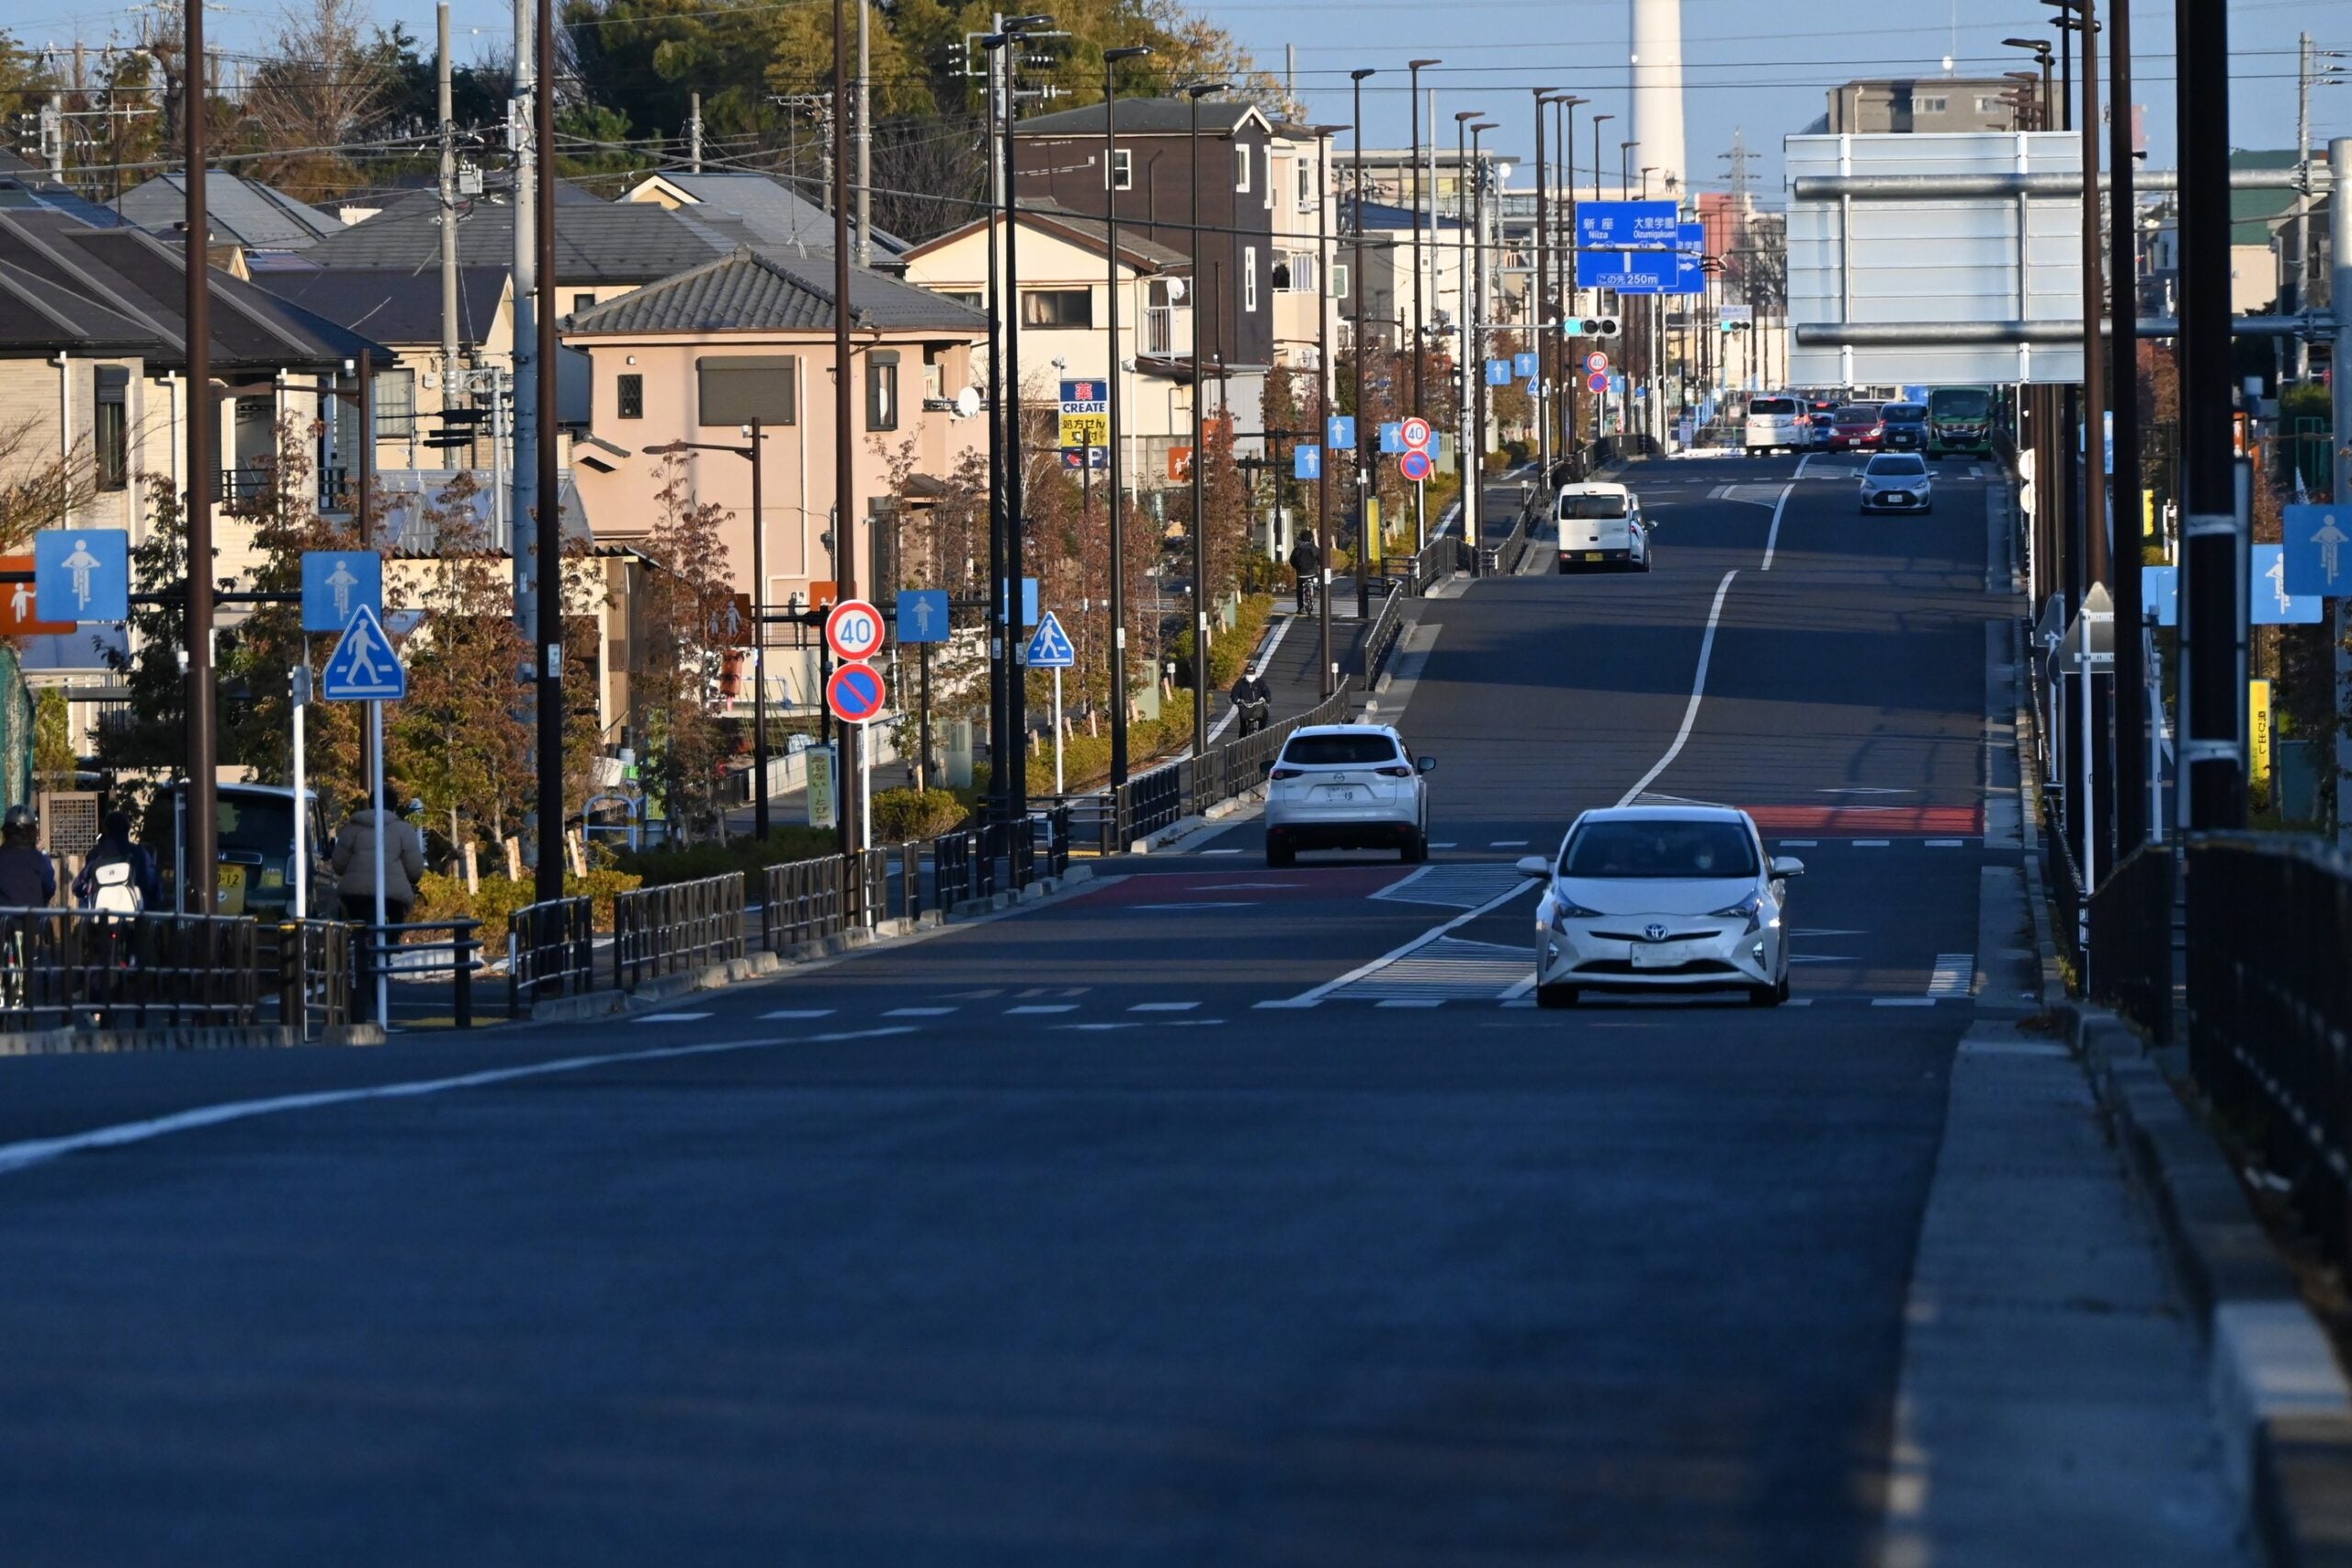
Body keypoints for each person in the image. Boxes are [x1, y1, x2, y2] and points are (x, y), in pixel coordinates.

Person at [332, 787, 425, 928]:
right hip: (393, 896)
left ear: (370, 803)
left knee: (358, 931)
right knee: (394, 926)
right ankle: (392, 944)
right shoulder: (403, 830)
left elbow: (338, 864)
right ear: (394, 806)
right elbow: (415, 871)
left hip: (356, 894)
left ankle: (360, 945)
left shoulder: (352, 828)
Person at [73, 810, 160, 914]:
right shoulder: (139, 854)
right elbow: (153, 883)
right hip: (133, 917)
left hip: (101, 918)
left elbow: (78, 886)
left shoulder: (95, 855)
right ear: (128, 830)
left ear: (106, 830)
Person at [0, 806, 55, 908]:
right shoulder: (39, 859)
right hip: (34, 920)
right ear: (32, 833)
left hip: (4, 920)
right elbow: (49, 888)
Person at [1230, 668, 1272, 738]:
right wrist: (1237, 700)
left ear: (1255, 673)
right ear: (1245, 674)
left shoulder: (1260, 682)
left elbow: (1266, 691)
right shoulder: (1240, 683)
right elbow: (1234, 693)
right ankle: (1241, 741)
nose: (1250, 675)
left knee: (1264, 715)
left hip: (1257, 706)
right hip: (1244, 707)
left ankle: (1261, 732)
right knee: (1243, 725)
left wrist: (1267, 699)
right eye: (1248, 673)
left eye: (1252, 673)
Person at [1288, 532, 1322, 614]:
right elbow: (1321, 558)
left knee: (1299, 590)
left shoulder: (1297, 548)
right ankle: (1316, 589)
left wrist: (1297, 568)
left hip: (1300, 574)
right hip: (1312, 573)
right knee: (1318, 580)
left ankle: (1300, 608)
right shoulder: (1314, 548)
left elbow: (1292, 560)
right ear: (1311, 539)